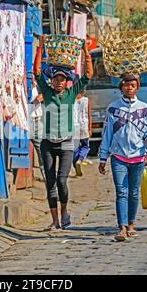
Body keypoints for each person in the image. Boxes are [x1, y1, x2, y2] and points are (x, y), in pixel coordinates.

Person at [34, 35, 93, 231]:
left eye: (62, 79)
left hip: (67, 142)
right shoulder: (47, 92)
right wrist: (40, 47)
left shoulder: (71, 93)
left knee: (61, 179)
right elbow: (36, 72)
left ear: (67, 82)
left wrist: (85, 52)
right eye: (56, 79)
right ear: (51, 80)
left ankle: (65, 212)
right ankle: (55, 221)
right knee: (50, 181)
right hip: (48, 143)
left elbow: (88, 76)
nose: (59, 82)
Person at [98, 73, 147, 241]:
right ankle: (121, 227)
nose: (129, 88)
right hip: (118, 156)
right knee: (121, 192)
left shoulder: (144, 109)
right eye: (126, 85)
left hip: (138, 156)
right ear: (121, 86)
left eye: (133, 85)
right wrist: (103, 157)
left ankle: (131, 224)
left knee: (134, 192)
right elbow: (107, 133)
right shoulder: (113, 108)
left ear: (137, 88)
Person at [29, 78, 46, 182]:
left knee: (43, 154)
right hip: (26, 122)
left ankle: (51, 188)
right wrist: (35, 101)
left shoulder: (38, 86)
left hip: (38, 122)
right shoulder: (21, 87)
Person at [72, 89, 92, 177]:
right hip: (84, 126)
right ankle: (80, 159)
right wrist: (90, 128)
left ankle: (76, 167)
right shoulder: (86, 100)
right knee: (85, 146)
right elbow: (89, 115)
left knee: (75, 149)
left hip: (73, 127)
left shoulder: (71, 100)